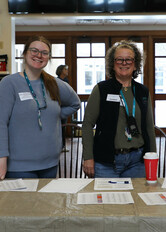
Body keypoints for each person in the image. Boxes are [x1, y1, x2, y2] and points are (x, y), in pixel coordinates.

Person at [0, 36, 81, 179]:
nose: (39, 55)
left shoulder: (54, 83)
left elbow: (75, 103)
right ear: (24, 54)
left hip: (50, 163)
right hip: (18, 166)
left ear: (48, 58)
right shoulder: (9, 84)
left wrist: (54, 115)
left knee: (46, 202)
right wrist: (2, 158)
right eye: (34, 50)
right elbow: (1, 123)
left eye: (44, 53)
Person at [82, 40, 156, 178]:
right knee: (108, 199)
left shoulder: (142, 91)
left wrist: (152, 157)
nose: (124, 63)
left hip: (137, 161)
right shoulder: (101, 89)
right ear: (112, 63)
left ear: (135, 65)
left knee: (136, 199)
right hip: (107, 162)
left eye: (129, 59)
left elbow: (149, 126)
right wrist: (88, 157)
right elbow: (87, 125)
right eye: (119, 59)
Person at [56, 64, 70, 151]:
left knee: (63, 127)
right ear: (61, 71)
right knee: (58, 127)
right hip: (58, 106)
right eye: (66, 69)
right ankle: (58, 146)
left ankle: (62, 146)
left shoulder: (66, 80)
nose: (67, 71)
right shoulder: (56, 81)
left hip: (65, 106)